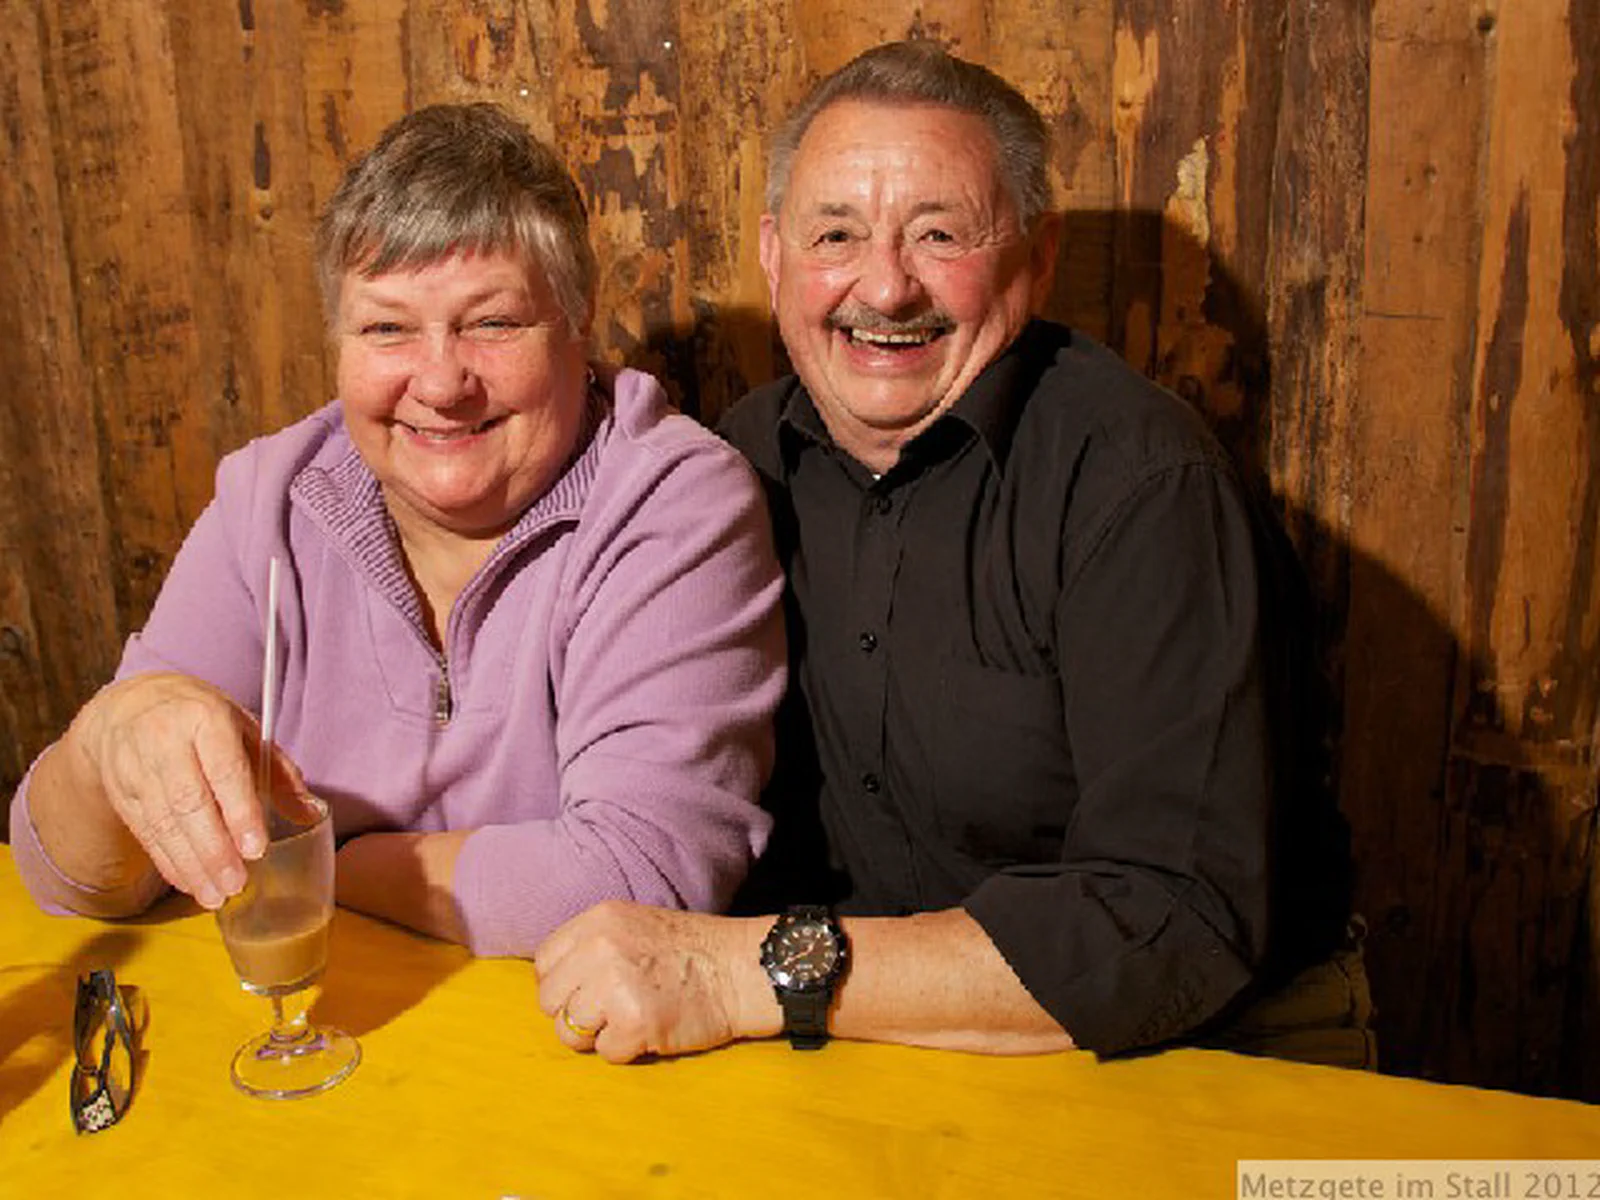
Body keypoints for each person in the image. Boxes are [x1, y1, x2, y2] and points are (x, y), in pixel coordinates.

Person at [531, 41, 1371, 1066]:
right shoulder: (725, 469)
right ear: (774, 256)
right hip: (865, 1048)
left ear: (1038, 256)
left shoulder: (1143, 484)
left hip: (1203, 1049)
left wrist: (740, 972)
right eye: (835, 234)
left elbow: (1171, 923)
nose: (886, 288)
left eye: (940, 235)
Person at [10, 103, 787, 960]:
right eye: (387, 328)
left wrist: (326, 865)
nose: (442, 383)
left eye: (492, 323)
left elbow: (640, 875)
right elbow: (71, 878)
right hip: (315, 1019)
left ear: (577, 322)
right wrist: (106, 743)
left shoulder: (671, 499)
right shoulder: (271, 502)